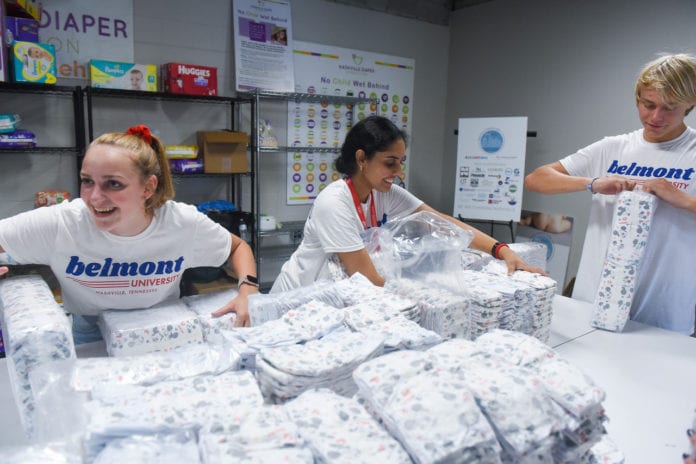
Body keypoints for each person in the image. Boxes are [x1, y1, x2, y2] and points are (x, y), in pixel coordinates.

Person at [0, 125, 258, 343]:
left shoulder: (181, 222)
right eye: (87, 181)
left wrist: (248, 290)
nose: (94, 197)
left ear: (148, 188)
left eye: (114, 184)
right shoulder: (62, 223)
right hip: (91, 332)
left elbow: (237, 247)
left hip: (161, 325)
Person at [271, 115, 544, 293]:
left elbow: (441, 222)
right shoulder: (334, 202)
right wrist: (420, 293)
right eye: (390, 163)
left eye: (401, 162)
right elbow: (364, 277)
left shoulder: (384, 191)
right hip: (300, 295)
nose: (398, 171)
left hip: (338, 293)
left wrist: (500, 249)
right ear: (361, 158)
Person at [524, 53, 696, 335]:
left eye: (670, 108)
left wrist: (684, 199)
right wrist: (593, 183)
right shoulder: (612, 147)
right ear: (637, 98)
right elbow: (536, 179)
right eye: (648, 104)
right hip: (595, 298)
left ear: (690, 104)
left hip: (664, 306)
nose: (655, 116)